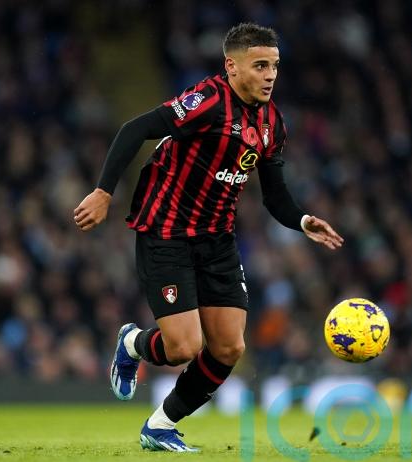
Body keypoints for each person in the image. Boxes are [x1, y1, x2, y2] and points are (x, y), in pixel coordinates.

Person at [73, 22, 343, 452]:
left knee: (229, 347)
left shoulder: (272, 123)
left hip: (217, 239)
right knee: (183, 347)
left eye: (274, 65)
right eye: (259, 66)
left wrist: (303, 220)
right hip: (166, 232)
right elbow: (134, 129)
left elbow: (274, 195)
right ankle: (133, 342)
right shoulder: (208, 101)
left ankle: (160, 426)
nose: (270, 75)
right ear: (231, 67)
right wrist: (104, 191)